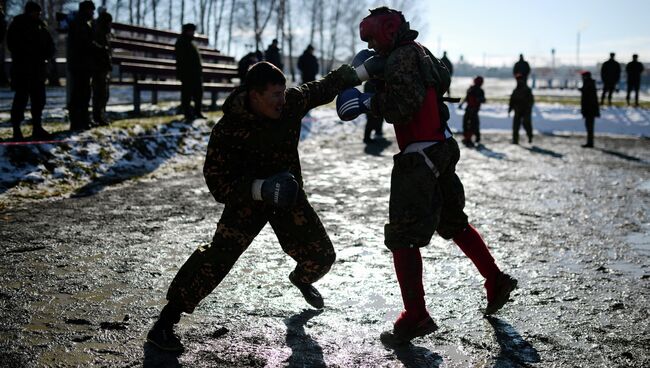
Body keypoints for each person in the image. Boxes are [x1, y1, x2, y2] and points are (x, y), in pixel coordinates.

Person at [146, 61, 364, 352]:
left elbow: (323, 87)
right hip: (248, 203)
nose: (282, 100)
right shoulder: (228, 129)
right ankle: (165, 324)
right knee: (217, 258)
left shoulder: (289, 105)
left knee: (322, 257)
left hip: (288, 196)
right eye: (275, 94)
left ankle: (300, 279)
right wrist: (260, 189)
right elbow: (217, 183)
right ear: (254, 94)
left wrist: (366, 70)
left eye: (283, 92)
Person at [337, 6, 517, 344]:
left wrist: (366, 102)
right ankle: (495, 278)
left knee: (403, 236)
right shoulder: (420, 51)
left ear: (388, 31)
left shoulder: (401, 56)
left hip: (420, 156)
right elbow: (437, 83)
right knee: (453, 221)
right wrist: (378, 78)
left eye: (374, 38)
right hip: (441, 146)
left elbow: (402, 106)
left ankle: (415, 315)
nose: (373, 47)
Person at [6, 1, 55, 141]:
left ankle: (37, 128)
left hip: (38, 70)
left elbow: (50, 44)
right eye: (36, 12)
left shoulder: (41, 25)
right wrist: (30, 53)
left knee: (39, 101)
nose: (38, 14)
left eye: (39, 12)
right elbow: (13, 44)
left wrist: (47, 54)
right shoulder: (18, 24)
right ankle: (16, 130)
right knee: (20, 100)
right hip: (23, 69)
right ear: (29, 11)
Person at [67, 0, 101, 131]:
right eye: (91, 10)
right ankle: (78, 121)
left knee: (82, 93)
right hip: (81, 64)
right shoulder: (80, 24)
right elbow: (85, 43)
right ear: (87, 10)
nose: (93, 13)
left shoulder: (81, 23)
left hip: (81, 64)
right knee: (81, 94)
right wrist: (98, 48)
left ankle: (82, 120)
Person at [175, 23, 205, 120]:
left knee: (198, 93)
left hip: (195, 73)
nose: (192, 33)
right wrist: (184, 73)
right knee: (187, 94)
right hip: (187, 73)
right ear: (186, 31)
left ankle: (197, 112)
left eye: (193, 31)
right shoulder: (181, 42)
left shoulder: (191, 43)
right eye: (190, 31)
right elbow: (181, 59)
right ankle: (187, 113)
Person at [91, 8, 113, 126]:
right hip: (99, 67)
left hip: (102, 67)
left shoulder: (105, 34)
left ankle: (100, 115)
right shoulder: (100, 34)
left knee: (102, 93)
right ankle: (97, 116)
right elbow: (101, 51)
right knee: (99, 93)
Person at [457, 76, 485, 147]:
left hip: (471, 110)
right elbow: (468, 98)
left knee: (470, 124)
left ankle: (470, 138)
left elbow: (481, 99)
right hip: (472, 110)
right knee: (472, 124)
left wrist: (461, 104)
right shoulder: (476, 90)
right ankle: (469, 139)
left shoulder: (473, 89)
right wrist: (461, 104)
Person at [508, 73, 534, 144]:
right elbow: (512, 100)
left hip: (525, 110)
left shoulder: (527, 90)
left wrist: (528, 108)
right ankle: (515, 140)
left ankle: (530, 136)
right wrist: (510, 109)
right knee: (515, 126)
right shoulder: (516, 90)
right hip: (517, 110)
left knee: (526, 124)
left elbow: (531, 101)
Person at [579, 71, 599, 148]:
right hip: (590, 110)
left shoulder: (588, 84)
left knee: (589, 127)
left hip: (589, 111)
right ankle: (589, 142)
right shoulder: (590, 84)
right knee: (589, 127)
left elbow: (587, 99)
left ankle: (590, 143)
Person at [363, 79, 385, 144]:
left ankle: (378, 132)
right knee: (371, 121)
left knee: (378, 119)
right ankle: (367, 138)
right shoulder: (370, 83)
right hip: (371, 105)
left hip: (373, 104)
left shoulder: (369, 83)